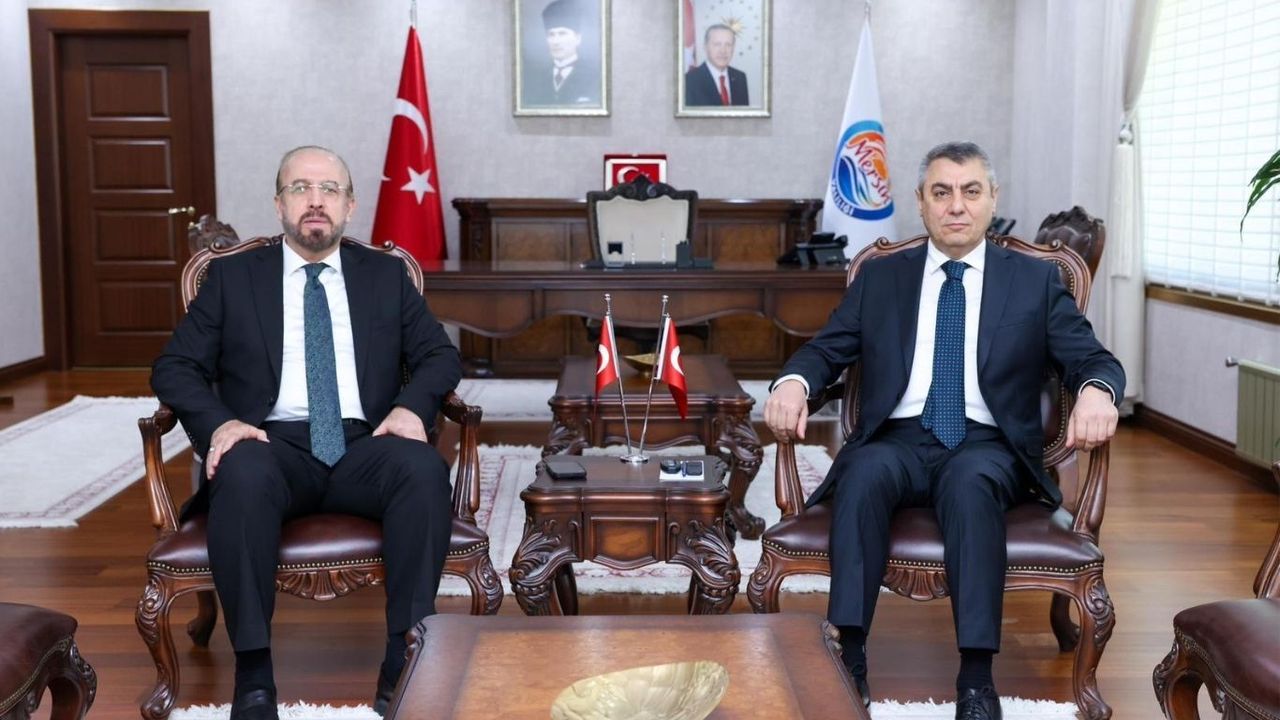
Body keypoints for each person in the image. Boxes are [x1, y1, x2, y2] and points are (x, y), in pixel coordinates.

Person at [763, 141, 1123, 720]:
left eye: (970, 191)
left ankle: (976, 679)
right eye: (942, 192)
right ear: (921, 202)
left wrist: (1097, 391)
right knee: (862, 470)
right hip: (898, 438)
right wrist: (793, 384)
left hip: (988, 444)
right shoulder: (882, 278)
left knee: (969, 481)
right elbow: (825, 350)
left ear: (992, 199)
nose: (957, 205)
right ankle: (850, 658)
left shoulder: (1032, 281)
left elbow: (1093, 358)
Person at [151, 145, 461, 720]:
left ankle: (403, 659)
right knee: (241, 471)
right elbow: (174, 367)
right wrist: (222, 425)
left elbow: (440, 356)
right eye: (300, 188)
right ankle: (254, 676)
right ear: (279, 204)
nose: (315, 201)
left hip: (365, 444)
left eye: (329, 189)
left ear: (349, 205)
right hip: (272, 446)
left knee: (422, 468)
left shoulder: (385, 276)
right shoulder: (234, 278)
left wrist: (412, 408)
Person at [522, 0, 600, 106]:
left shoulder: (595, 77)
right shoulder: (536, 78)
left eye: (562, 34)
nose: (556, 42)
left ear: (578, 39)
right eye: (551, 34)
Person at [684, 24, 749, 107]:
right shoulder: (689, 81)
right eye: (717, 44)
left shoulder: (740, 77)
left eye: (728, 44)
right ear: (705, 47)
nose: (723, 51)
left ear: (733, 48)